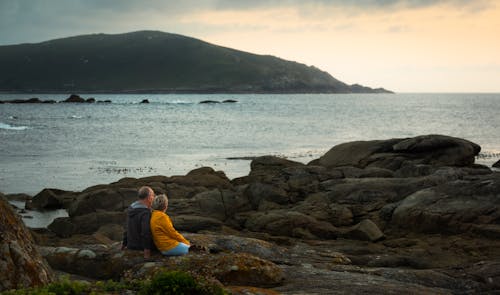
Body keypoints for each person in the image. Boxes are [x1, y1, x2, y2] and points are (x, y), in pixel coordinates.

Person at [122, 186, 155, 259]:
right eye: (153, 195)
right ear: (149, 197)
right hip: (140, 246)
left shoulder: (131, 208)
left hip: (131, 244)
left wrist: (124, 244)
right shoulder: (145, 213)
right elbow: (145, 232)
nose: (153, 198)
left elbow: (126, 227)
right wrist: (147, 251)